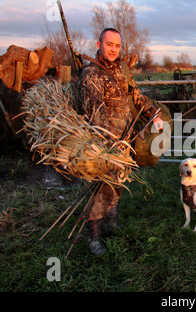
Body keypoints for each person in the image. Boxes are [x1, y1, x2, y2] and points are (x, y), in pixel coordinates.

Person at [77, 28, 163, 255]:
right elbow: (94, 115)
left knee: (116, 185)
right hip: (103, 145)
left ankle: (112, 224)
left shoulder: (120, 71)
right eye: (109, 44)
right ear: (99, 45)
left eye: (117, 45)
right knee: (101, 190)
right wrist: (109, 146)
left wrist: (153, 114)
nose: (113, 49)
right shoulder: (91, 75)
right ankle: (94, 238)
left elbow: (135, 95)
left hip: (124, 141)